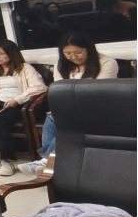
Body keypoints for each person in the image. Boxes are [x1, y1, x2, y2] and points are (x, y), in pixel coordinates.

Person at [19, 31, 119, 175]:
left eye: (78, 52)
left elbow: (98, 91)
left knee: (67, 120)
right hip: (72, 107)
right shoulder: (61, 64)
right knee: (52, 116)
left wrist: (72, 93)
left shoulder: (107, 62)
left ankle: (47, 161)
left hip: (100, 107)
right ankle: (48, 160)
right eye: (68, 53)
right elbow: (60, 90)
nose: (73, 57)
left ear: (88, 49)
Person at [0, 40, 48, 176]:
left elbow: (40, 87)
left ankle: (8, 160)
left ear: (12, 53)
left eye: (1, 53)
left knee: (0, 122)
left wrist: (17, 100)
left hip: (18, 103)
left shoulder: (25, 68)